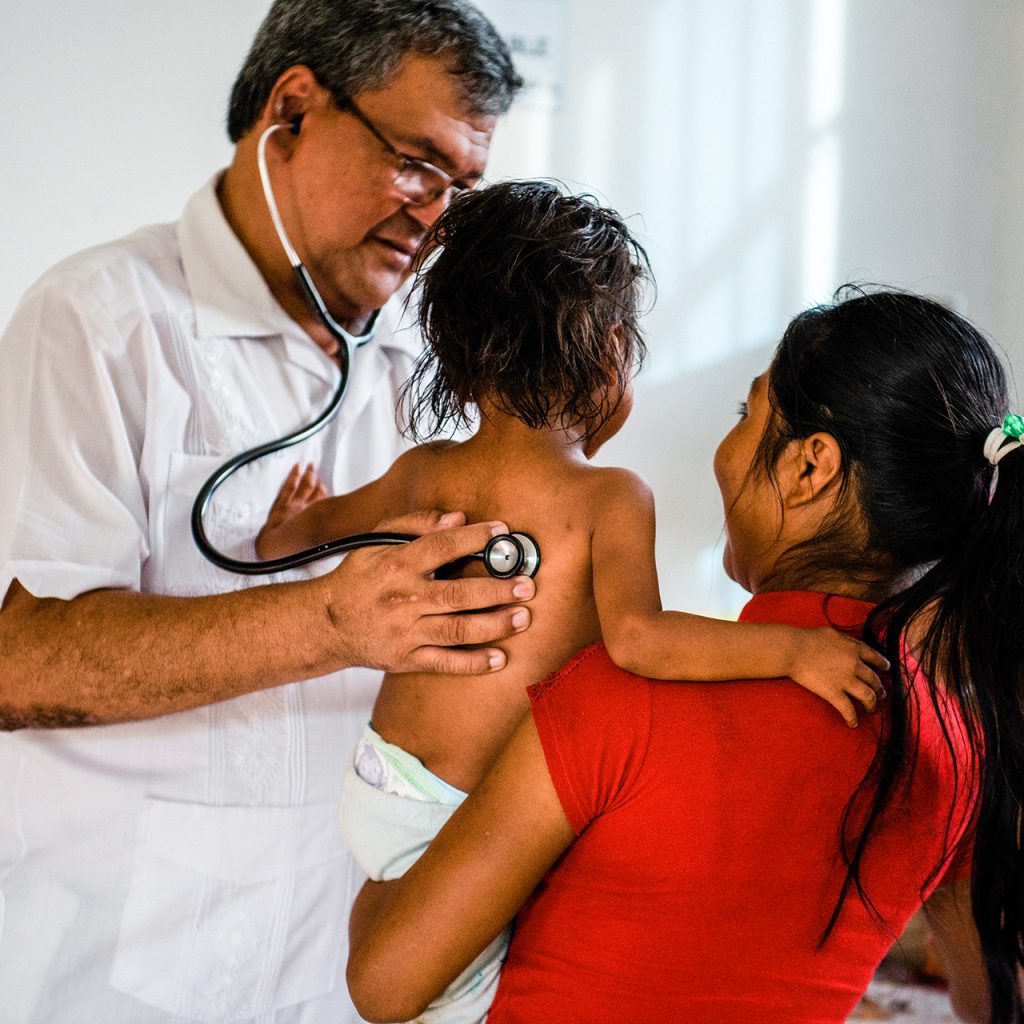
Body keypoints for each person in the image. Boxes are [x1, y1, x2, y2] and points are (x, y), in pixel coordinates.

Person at [0, 3, 525, 1022]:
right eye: (417, 163)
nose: (433, 215)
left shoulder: (431, 368)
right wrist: (331, 617)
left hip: (342, 979)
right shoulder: (100, 322)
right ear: (292, 108)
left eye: (461, 187)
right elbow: (19, 660)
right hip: (119, 975)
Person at [256, 181, 887, 1022]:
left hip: (383, 785)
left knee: (400, 943)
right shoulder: (610, 498)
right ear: (607, 360)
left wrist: (283, 525)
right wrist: (792, 650)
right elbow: (641, 640)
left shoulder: (425, 470)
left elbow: (308, 536)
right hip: (465, 811)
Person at [346, 288, 1024, 1024]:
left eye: (747, 414)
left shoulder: (622, 700)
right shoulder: (960, 740)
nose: (725, 450)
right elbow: (993, 997)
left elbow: (386, 982)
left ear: (810, 468)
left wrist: (394, 838)